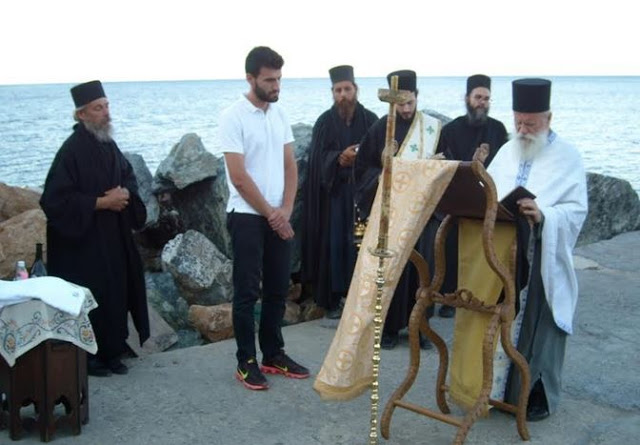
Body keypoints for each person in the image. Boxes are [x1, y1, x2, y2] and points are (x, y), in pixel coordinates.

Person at [487, 78, 588, 421]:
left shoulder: (567, 156)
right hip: (502, 256)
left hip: (543, 256)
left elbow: (576, 211)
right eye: (518, 121)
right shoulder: (506, 149)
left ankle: (533, 398)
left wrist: (545, 214)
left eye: (530, 123)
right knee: (497, 323)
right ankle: (494, 391)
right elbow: (488, 191)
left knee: (538, 330)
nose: (523, 129)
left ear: (549, 118)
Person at [40, 80, 149, 377]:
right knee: (91, 295)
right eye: (98, 108)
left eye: (107, 106)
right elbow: (53, 199)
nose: (105, 113)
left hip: (113, 238)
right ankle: (89, 358)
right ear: (81, 115)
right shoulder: (70, 151)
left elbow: (128, 176)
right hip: (83, 246)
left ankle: (113, 351)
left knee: (116, 292)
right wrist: (101, 203)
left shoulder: (108, 144)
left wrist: (125, 194)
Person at [217, 46, 309, 391]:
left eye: (279, 79)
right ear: (251, 78)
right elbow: (238, 177)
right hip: (246, 217)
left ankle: (273, 353)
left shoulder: (279, 114)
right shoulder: (233, 116)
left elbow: (290, 164)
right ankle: (246, 361)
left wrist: (285, 210)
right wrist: (273, 215)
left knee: (277, 288)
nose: (276, 86)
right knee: (246, 293)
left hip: (276, 216)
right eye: (269, 80)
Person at [355, 70, 441, 350]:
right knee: (392, 270)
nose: (405, 109)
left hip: (422, 214)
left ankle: (421, 328)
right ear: (392, 103)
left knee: (422, 270)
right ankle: (389, 329)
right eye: (400, 104)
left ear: (417, 97)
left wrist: (435, 167)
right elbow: (362, 170)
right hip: (391, 215)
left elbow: (444, 168)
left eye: (410, 102)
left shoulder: (430, 129)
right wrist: (382, 166)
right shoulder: (381, 129)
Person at [301, 65, 378, 320]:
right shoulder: (324, 122)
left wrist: (359, 159)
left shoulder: (371, 120)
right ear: (332, 93)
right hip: (334, 195)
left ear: (356, 89)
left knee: (360, 246)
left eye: (347, 89)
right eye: (338, 90)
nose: (343, 95)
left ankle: (360, 297)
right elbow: (315, 160)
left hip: (363, 195)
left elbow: (381, 157)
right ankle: (333, 299)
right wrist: (338, 159)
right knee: (334, 245)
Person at [434, 74, 509, 318]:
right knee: (454, 249)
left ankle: (482, 294)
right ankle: (449, 299)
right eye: (478, 97)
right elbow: (441, 164)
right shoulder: (451, 129)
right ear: (467, 98)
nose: (482, 102)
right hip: (459, 200)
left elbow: (507, 163)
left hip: (489, 199)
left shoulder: (498, 129)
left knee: (484, 249)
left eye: (486, 98)